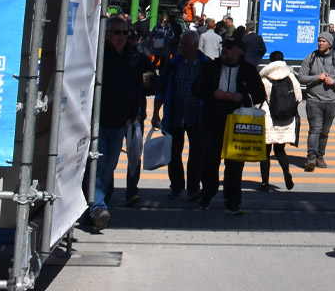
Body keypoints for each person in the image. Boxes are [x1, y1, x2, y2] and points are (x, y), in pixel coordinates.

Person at [195, 36, 267, 214]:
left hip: (237, 122)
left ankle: (232, 201)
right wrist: (212, 93)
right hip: (213, 119)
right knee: (209, 161)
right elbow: (196, 88)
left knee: (235, 164)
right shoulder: (211, 67)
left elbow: (260, 94)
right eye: (224, 48)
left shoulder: (248, 70)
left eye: (230, 48)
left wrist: (242, 96)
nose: (226, 52)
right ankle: (207, 196)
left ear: (239, 51)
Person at [85, 16, 144, 229]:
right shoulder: (99, 56)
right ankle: (97, 207)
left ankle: (94, 206)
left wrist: (134, 113)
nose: (121, 37)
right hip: (99, 122)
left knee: (109, 167)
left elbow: (138, 87)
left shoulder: (132, 55)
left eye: (124, 33)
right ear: (107, 34)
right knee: (98, 167)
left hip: (121, 123)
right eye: (117, 32)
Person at [153, 31, 208, 200]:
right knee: (173, 154)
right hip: (174, 117)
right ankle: (176, 186)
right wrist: (155, 113)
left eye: (185, 44)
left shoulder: (206, 65)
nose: (181, 47)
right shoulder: (173, 64)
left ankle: (193, 188)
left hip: (197, 118)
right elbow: (161, 90)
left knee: (197, 153)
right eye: (181, 43)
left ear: (195, 45)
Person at [299, 33, 335, 170]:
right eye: (319, 41)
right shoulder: (310, 58)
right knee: (315, 128)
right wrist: (317, 78)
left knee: (324, 131)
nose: (320, 43)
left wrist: (333, 82)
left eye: (323, 41)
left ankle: (320, 156)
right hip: (313, 100)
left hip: (331, 101)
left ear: (329, 43)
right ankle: (311, 157)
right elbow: (301, 77)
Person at [259, 50, 302, 191]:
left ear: (270, 61)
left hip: (268, 117)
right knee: (280, 149)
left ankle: (265, 183)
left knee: (265, 152)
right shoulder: (290, 76)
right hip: (286, 119)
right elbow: (299, 96)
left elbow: (259, 98)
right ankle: (286, 173)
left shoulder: (265, 77)